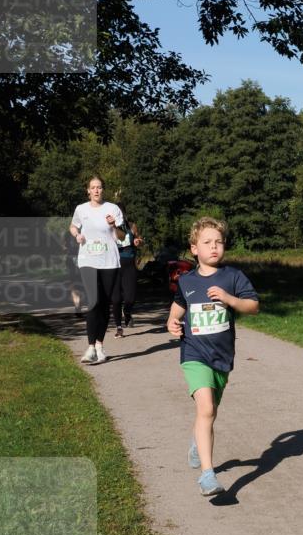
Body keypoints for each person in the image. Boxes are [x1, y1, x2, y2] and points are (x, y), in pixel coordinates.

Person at [166, 217, 259, 496]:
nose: (214, 247)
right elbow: (177, 309)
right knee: (205, 408)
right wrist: (171, 323)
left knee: (210, 412)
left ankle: (198, 440)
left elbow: (253, 306)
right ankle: (208, 475)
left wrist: (230, 299)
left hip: (222, 357)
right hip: (194, 354)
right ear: (194, 249)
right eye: (207, 242)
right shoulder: (187, 281)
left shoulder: (233, 277)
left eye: (218, 242)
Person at [69, 176, 124, 364]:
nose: (96, 191)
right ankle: (91, 347)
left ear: (103, 189)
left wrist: (114, 225)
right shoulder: (81, 209)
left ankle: (100, 345)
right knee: (93, 301)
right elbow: (73, 226)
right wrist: (77, 234)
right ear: (88, 190)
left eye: (99, 187)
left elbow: (123, 235)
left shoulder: (113, 209)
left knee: (104, 304)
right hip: (88, 259)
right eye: (93, 188)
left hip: (109, 261)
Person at [111, 203, 143, 337]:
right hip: (113, 265)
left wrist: (138, 242)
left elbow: (139, 239)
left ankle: (127, 312)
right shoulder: (108, 228)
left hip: (129, 264)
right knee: (116, 299)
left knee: (130, 298)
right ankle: (119, 327)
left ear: (123, 214)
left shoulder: (131, 226)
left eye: (120, 213)